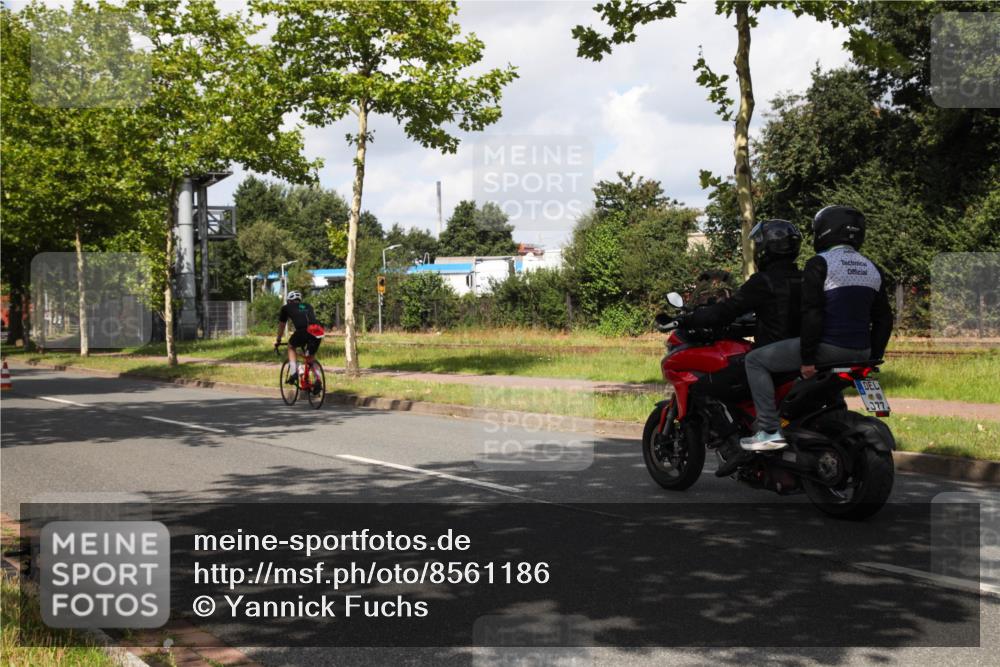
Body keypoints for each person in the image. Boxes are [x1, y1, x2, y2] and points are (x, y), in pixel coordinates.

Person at [740, 205, 893, 451]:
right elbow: (884, 318)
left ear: (824, 231)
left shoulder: (820, 263)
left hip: (827, 349)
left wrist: (808, 359)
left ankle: (768, 430)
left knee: (755, 361)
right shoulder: (871, 267)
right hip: (862, 353)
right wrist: (873, 356)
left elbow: (812, 313)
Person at [681, 219, 804, 476]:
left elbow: (727, 310)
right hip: (806, 356)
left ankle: (737, 447)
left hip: (774, 359)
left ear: (766, 250)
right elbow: (781, 314)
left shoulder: (764, 281)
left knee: (704, 386)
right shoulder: (806, 278)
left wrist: (693, 317)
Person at [274, 291, 324, 391]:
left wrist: (278, 339)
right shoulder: (308, 306)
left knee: (291, 346)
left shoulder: (286, 307)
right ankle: (318, 379)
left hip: (303, 331)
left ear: (289, 300)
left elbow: (282, 325)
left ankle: (293, 373)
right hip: (318, 331)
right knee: (310, 358)